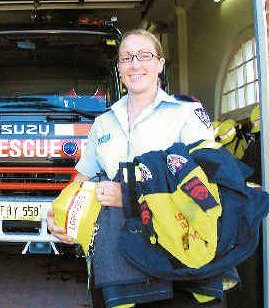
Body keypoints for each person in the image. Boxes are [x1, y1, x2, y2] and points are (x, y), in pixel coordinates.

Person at [47, 29, 219, 307]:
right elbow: (81, 179)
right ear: (119, 68)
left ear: (160, 63)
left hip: (175, 256)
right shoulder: (103, 123)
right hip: (115, 260)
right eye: (126, 58)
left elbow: (210, 183)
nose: (135, 64)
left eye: (145, 55)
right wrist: (59, 213)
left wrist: (128, 195)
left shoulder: (186, 114)